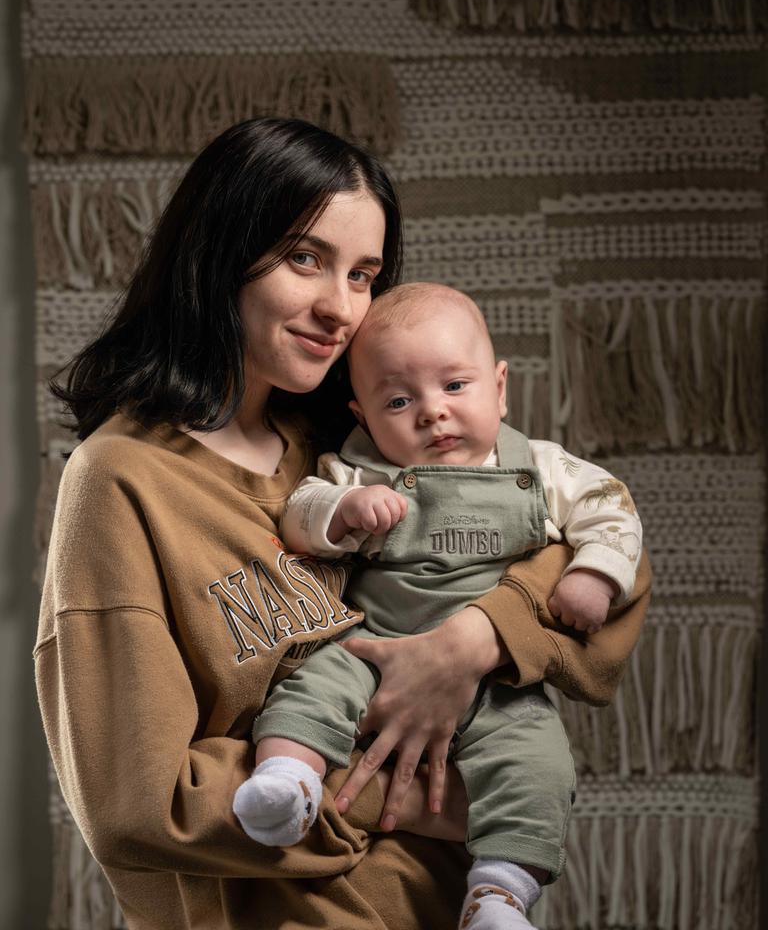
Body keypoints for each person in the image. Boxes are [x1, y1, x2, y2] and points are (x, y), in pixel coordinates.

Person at [35, 118, 650, 930]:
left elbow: (607, 564)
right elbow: (139, 801)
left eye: (363, 274)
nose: (340, 308)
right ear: (219, 251)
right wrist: (429, 803)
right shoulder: (123, 481)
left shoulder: (348, 449)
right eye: (306, 259)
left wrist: (470, 643)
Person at [233, 283, 642, 929]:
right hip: (374, 649)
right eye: (398, 400)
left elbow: (609, 509)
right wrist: (340, 513)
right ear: (363, 416)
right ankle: (287, 781)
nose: (432, 413)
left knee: (540, 766)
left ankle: (500, 895)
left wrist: (594, 572)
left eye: (456, 386)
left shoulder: (539, 468)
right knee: (310, 690)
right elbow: (299, 515)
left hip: (499, 681)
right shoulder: (358, 470)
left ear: (500, 386)